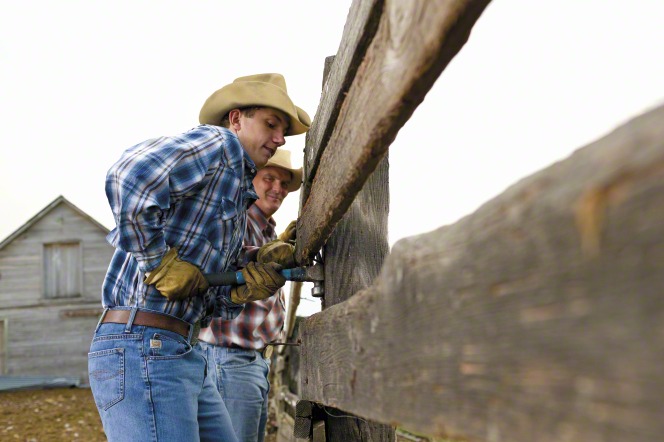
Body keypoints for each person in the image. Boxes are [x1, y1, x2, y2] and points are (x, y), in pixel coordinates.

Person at [88, 73, 310, 442]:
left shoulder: (237, 190)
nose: (279, 139)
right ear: (236, 119)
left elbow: (203, 286)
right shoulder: (220, 144)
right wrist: (158, 263)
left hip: (181, 348)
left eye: (282, 131)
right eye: (271, 125)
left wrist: (245, 277)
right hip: (144, 340)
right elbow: (130, 175)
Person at [199, 148, 301, 442]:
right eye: (269, 178)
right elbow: (231, 261)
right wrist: (275, 254)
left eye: (284, 184)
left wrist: (278, 244)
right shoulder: (238, 219)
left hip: (248, 361)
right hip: (230, 359)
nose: (278, 189)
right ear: (250, 179)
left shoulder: (265, 228)